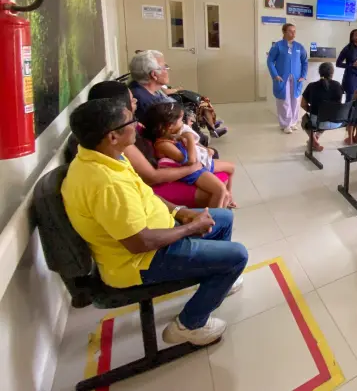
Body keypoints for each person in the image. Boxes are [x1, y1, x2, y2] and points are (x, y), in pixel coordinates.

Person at [62, 98, 248, 345]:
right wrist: (190, 227)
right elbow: (140, 242)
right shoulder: (105, 184)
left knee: (223, 217)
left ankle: (215, 276)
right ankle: (190, 325)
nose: (136, 124)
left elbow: (148, 195)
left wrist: (181, 212)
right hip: (140, 261)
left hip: (160, 231)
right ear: (112, 136)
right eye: (130, 122)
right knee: (237, 255)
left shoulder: (107, 157)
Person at [86, 81, 228, 208]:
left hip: (167, 164)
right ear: (119, 107)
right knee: (219, 190)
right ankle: (212, 225)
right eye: (131, 99)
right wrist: (193, 167)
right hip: (158, 182)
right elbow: (152, 177)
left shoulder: (131, 126)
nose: (135, 100)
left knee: (218, 173)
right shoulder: (122, 139)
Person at [146, 103, 237, 209]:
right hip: (191, 172)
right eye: (180, 121)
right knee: (220, 190)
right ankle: (213, 218)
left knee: (231, 167)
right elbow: (190, 161)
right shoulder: (163, 144)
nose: (183, 124)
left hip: (197, 165)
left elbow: (193, 149)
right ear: (169, 126)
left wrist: (203, 148)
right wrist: (189, 137)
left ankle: (229, 198)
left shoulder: (172, 136)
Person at [267, 23, 308, 133]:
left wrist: (303, 76)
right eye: (290, 31)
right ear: (284, 32)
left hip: (296, 79)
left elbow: (305, 62)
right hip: (282, 78)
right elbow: (270, 61)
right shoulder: (278, 46)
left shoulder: (299, 47)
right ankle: (285, 124)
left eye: (294, 31)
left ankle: (293, 122)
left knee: (295, 100)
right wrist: (275, 75)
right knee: (284, 101)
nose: (293, 33)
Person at [301, 62, 345, 152]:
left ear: (319, 73)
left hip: (318, 122)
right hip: (336, 121)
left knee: (304, 119)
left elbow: (302, 104)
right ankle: (314, 138)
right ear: (332, 73)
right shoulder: (338, 85)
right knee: (326, 115)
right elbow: (338, 104)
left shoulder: (312, 86)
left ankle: (313, 139)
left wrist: (312, 110)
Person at [128, 50, 173, 121]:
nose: (167, 70)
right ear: (154, 75)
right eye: (165, 67)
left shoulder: (136, 84)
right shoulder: (150, 105)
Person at [336, 29, 357, 102]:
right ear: (352, 37)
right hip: (351, 78)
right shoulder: (347, 49)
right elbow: (338, 63)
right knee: (350, 100)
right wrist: (352, 64)